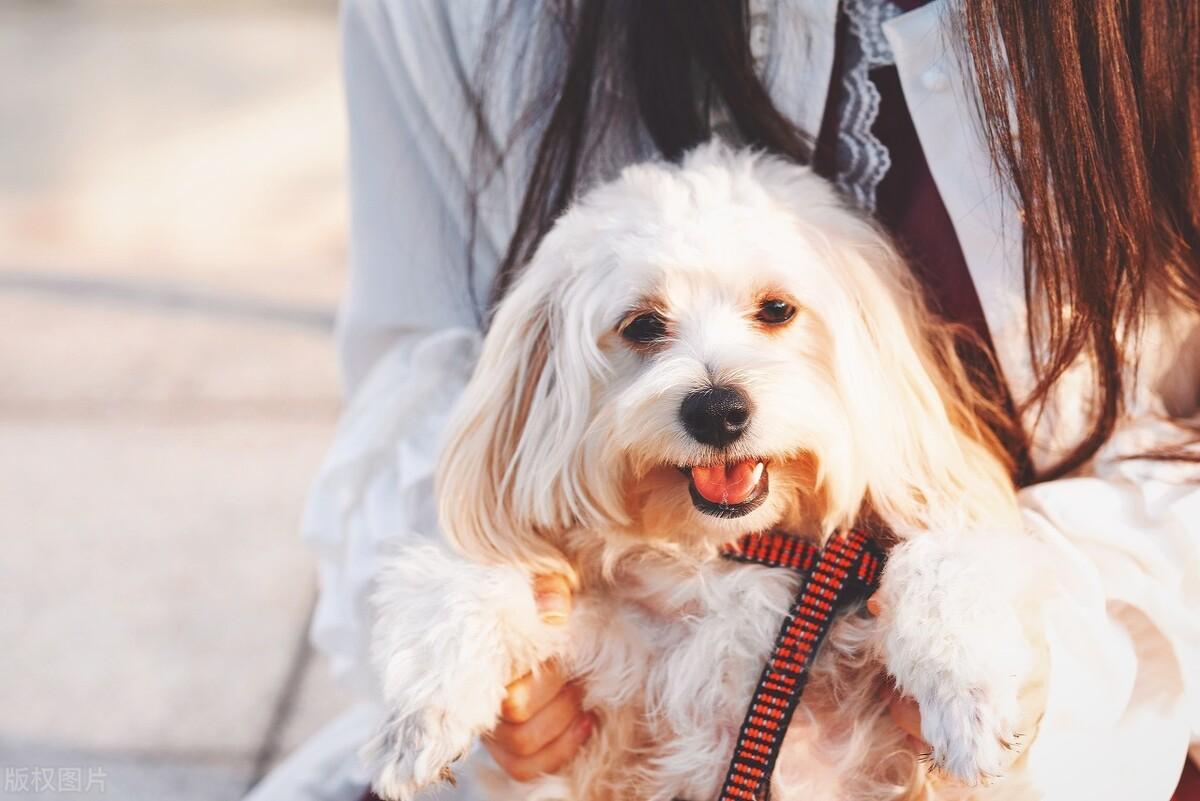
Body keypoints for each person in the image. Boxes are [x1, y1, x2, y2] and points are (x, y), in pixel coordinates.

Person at [245, 1, 1200, 800]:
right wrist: (497, 647)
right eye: (645, 328)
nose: (714, 389)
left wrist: (1040, 649)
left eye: (773, 313)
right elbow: (421, 375)